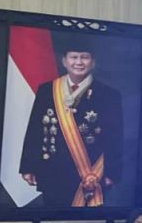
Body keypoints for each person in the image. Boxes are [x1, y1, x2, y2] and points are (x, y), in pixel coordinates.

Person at [19, 38, 122, 207]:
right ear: (64, 61)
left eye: (84, 57)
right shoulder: (47, 90)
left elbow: (115, 137)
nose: (79, 62)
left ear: (93, 62)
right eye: (74, 57)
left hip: (90, 174)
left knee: (87, 221)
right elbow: (35, 130)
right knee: (52, 219)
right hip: (53, 171)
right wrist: (28, 166)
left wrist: (112, 173)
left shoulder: (108, 94)